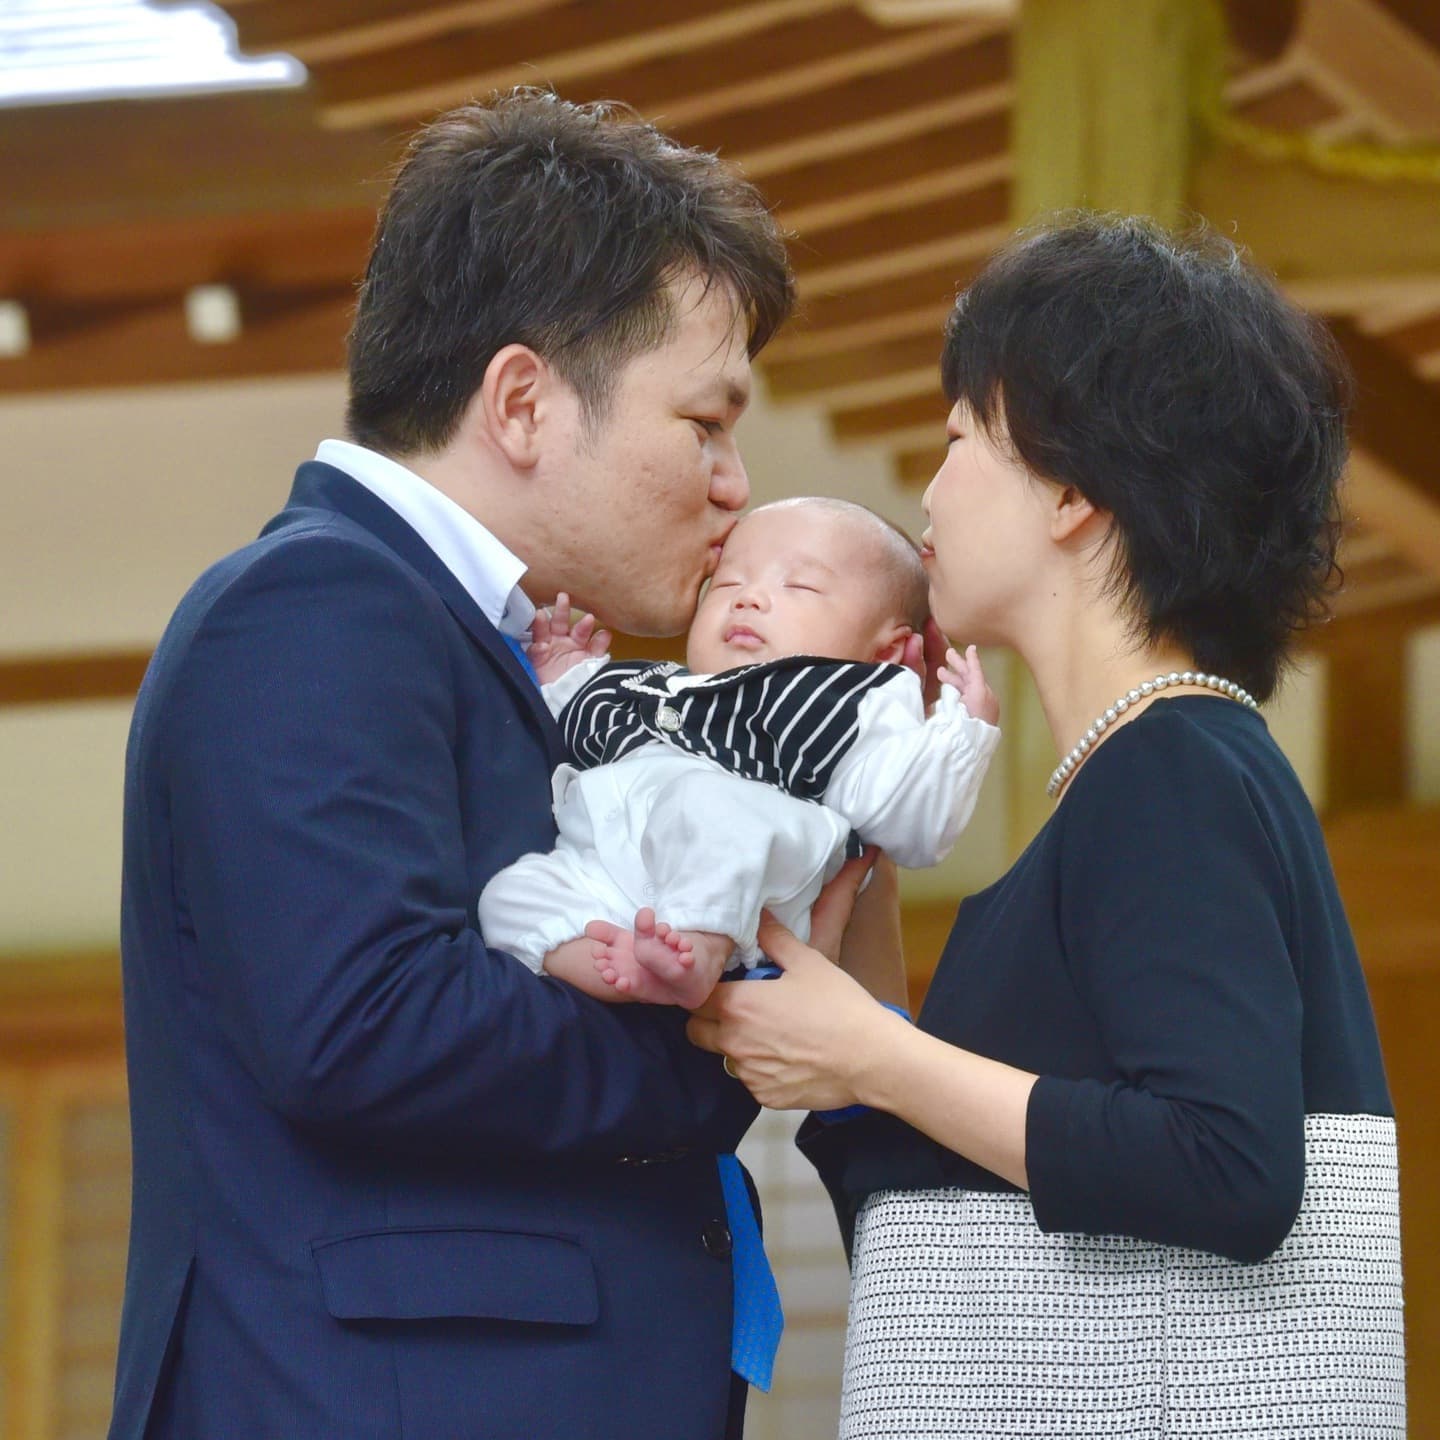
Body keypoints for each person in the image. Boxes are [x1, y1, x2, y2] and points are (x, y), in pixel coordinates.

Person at [111, 90, 800, 1440]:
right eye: (706, 422)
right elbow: (361, 1022)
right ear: (526, 401)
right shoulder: (313, 605)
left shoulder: (466, 634)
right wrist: (707, 1048)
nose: (735, 483)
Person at [688, 215, 1405, 1437]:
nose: (930, 487)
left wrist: (872, 1056)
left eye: (963, 436)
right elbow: (927, 1207)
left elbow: (1228, 1168)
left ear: (1073, 490)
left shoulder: (1167, 767)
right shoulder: (1146, 774)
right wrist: (858, 860)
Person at [478, 497, 1002, 1008]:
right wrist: (568, 674)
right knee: (507, 893)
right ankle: (617, 969)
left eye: (799, 585)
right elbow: (592, 719)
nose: (748, 597)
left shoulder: (838, 702)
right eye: (727, 582)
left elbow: (911, 823)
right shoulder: (661, 686)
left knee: (710, 805)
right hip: (610, 882)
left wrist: (962, 734)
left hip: (746, 883)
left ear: (885, 653)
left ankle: (701, 950)